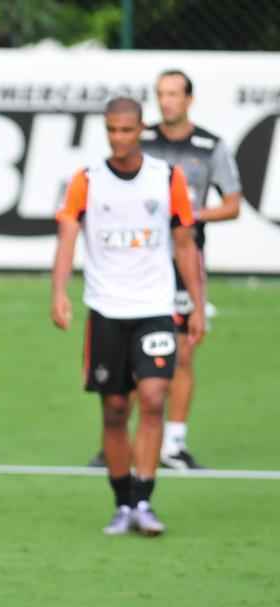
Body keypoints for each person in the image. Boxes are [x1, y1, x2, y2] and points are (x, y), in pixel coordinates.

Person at [51, 97, 205, 536]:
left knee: (154, 397)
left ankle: (144, 500)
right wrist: (59, 292)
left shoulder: (166, 178)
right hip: (106, 310)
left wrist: (193, 302)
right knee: (116, 409)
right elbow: (66, 238)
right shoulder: (87, 181)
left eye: (127, 130)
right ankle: (121, 504)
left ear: (141, 130)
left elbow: (184, 243)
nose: (119, 138)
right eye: (112, 131)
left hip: (155, 307)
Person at [141, 69, 242, 469]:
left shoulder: (210, 146)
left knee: (183, 353)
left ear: (189, 100)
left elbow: (233, 204)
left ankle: (173, 444)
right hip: (142, 258)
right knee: (137, 352)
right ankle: (132, 440)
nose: (166, 101)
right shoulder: (140, 141)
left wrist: (192, 213)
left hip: (185, 258)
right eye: (160, 94)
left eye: (173, 94)